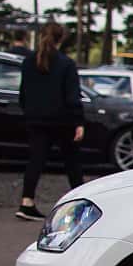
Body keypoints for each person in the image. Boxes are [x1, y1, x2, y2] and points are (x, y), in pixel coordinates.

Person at [16, 21, 84, 219]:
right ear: (61, 38)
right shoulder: (66, 63)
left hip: (36, 118)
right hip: (62, 119)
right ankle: (81, 205)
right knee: (72, 163)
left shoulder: (29, 62)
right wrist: (79, 121)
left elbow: (23, 93)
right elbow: (72, 95)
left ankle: (26, 201)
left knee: (35, 160)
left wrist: (28, 111)